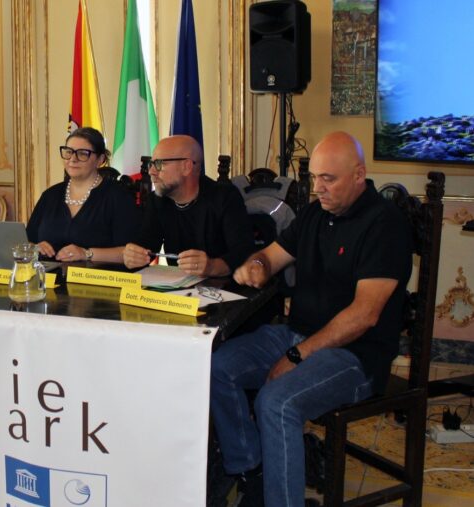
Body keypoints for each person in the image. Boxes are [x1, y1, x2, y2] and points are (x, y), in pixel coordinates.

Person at [209, 132, 413, 506]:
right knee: (218, 367)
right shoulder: (315, 214)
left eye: (328, 179)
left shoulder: (384, 224)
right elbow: (271, 256)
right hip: (298, 333)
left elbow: (364, 316)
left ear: (359, 175)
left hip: (356, 355)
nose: (318, 188)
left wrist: (298, 355)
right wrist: (257, 265)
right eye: (316, 178)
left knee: (276, 403)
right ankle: (252, 472)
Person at [122, 135, 254, 276]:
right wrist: (133, 255)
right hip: (177, 285)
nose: (151, 172)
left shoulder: (224, 197)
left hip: (223, 285)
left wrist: (211, 267)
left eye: (159, 164)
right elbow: (147, 243)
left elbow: (243, 253)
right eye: (151, 164)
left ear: (187, 166)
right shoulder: (157, 201)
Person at [26, 127, 140, 263]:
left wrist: (86, 254)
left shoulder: (118, 197)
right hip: (48, 274)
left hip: (97, 275)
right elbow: (27, 240)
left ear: (100, 159)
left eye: (82, 153)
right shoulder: (49, 195)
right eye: (69, 152)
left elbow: (132, 253)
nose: (73, 159)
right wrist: (35, 248)